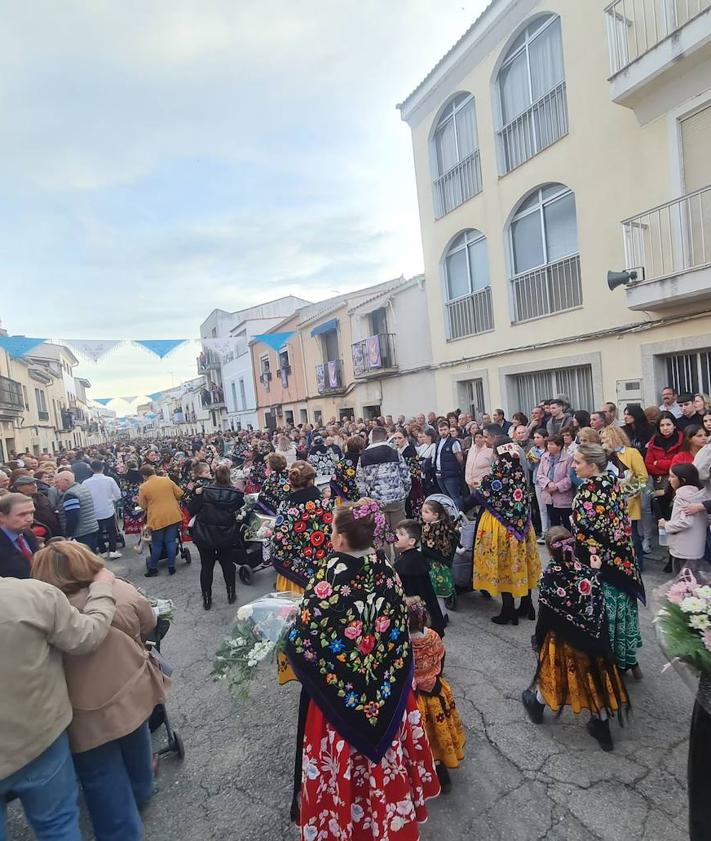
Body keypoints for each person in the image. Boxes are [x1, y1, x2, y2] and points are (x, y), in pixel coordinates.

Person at [284, 498, 440, 838]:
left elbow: (304, 641)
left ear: (340, 538)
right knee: (382, 763)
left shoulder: (327, 579)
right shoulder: (388, 573)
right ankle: (385, 815)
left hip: (337, 700)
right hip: (385, 690)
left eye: (332, 530)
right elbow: (397, 630)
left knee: (342, 763)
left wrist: (289, 631)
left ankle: (347, 818)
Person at [31, 541, 168, 841]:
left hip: (80, 707)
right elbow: (149, 622)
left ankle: (120, 827)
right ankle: (142, 791)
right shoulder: (119, 590)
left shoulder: (42, 612)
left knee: (99, 772)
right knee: (137, 743)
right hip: (129, 689)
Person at [0, 564, 116, 841]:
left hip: (37, 740)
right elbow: (87, 636)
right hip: (39, 741)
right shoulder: (29, 595)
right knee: (58, 825)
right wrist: (101, 587)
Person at [521, 527, 629, 752]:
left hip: (564, 641)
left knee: (553, 674)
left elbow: (546, 614)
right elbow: (597, 604)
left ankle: (537, 705)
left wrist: (539, 640)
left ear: (550, 552)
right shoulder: (587, 572)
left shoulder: (550, 575)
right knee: (595, 680)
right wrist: (596, 572)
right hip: (593, 642)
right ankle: (602, 726)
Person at [571, 444, 645, 678]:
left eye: (578, 462)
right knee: (622, 610)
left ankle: (605, 663)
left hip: (599, 564)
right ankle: (627, 659)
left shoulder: (587, 491)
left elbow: (582, 530)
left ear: (592, 465)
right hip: (623, 559)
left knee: (603, 612)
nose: (574, 466)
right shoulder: (613, 482)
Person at [465, 438, 541, 625]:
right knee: (520, 562)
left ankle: (508, 609)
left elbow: (477, 497)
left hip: (500, 526)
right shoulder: (519, 473)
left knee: (504, 563)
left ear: (498, 455)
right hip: (523, 526)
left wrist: (461, 505)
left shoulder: (494, 477)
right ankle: (526, 604)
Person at [407, 596, 465, 792]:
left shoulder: (406, 645)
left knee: (424, 734)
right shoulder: (432, 636)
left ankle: (429, 770)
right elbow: (441, 656)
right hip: (437, 692)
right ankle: (444, 765)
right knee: (439, 728)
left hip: (417, 697)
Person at [270, 461, 333, 594]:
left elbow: (280, 540)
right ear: (312, 479)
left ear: (291, 481)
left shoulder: (287, 506)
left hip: (294, 576)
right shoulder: (325, 503)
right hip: (325, 570)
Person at [189, 463, 245, 609]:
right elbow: (239, 509)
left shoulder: (205, 491)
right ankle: (231, 594)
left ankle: (207, 599)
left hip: (204, 533)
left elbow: (192, 509)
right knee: (227, 564)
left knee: (206, 567)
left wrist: (196, 494)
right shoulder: (236, 494)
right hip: (225, 534)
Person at [393, 519, 445, 637]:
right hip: (429, 612)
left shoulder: (406, 564)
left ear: (411, 541)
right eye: (396, 533)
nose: (396, 536)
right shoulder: (416, 558)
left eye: (401, 534)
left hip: (416, 616)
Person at [356, 426, 411, 536]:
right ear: (386, 437)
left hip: (376, 500)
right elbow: (405, 476)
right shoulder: (395, 453)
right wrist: (405, 493)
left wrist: (366, 498)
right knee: (400, 532)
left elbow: (359, 481)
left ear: (371, 438)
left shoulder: (363, 457)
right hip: (396, 497)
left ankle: (384, 553)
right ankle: (401, 553)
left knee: (381, 533)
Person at [658, 463, 709, 574]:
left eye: (672, 476)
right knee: (693, 580)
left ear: (683, 480)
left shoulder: (682, 496)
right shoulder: (699, 494)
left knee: (683, 582)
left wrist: (665, 524)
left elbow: (685, 522)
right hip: (695, 547)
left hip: (682, 548)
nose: (669, 480)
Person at [138, 465, 184, 577]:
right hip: (173, 514)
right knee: (171, 541)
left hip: (156, 518)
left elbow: (143, 505)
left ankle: (153, 568)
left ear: (144, 476)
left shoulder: (143, 487)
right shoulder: (167, 480)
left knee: (157, 543)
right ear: (154, 471)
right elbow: (180, 493)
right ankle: (171, 566)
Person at [420, 498, 458, 623]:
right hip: (440, 565)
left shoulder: (433, 529)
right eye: (422, 511)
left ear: (435, 514)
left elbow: (431, 548)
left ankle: (441, 616)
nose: (422, 514)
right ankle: (443, 614)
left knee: (436, 594)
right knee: (438, 594)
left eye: (426, 512)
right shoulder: (442, 526)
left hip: (435, 566)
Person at [84, 461, 122, 559]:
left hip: (94, 511)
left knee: (98, 532)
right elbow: (118, 495)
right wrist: (111, 499)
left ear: (91, 469)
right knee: (112, 530)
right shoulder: (109, 480)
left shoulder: (86, 482)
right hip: (108, 509)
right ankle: (113, 550)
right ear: (103, 468)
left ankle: (103, 551)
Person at [54, 470, 100, 552]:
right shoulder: (81, 487)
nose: (55, 485)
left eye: (57, 482)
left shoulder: (70, 495)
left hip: (81, 533)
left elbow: (72, 516)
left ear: (66, 481)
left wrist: (68, 534)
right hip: (91, 528)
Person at [536, 434, 574, 528]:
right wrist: (548, 483)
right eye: (548, 444)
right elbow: (540, 474)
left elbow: (570, 477)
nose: (549, 446)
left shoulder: (568, 458)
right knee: (554, 523)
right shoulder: (544, 457)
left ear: (559, 446)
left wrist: (557, 486)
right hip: (549, 496)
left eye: (552, 444)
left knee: (567, 523)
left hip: (564, 498)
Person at [0, 492, 38, 578]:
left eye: (31, 513)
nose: (29, 519)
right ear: (1, 517)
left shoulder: (28, 534)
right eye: (22, 514)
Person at [644, 411, 683, 483]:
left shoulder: (682, 440)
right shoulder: (653, 441)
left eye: (668, 424)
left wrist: (658, 463)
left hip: (678, 479)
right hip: (658, 480)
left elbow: (680, 464)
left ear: (674, 425)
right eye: (662, 425)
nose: (665, 428)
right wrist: (668, 466)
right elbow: (648, 465)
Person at [432, 420, 464, 509]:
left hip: (451, 474)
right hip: (439, 473)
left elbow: (460, 459)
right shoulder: (438, 442)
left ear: (449, 430)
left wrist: (456, 469)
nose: (443, 432)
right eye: (441, 430)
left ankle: (460, 515)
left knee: (455, 497)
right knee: (446, 497)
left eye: (445, 429)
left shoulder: (453, 442)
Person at [329, 435, 365, 502]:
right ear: (360, 449)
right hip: (360, 499)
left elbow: (334, 481)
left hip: (343, 499)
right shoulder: (362, 461)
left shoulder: (341, 462)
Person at [120, 461, 145, 537]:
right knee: (140, 514)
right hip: (140, 502)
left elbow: (123, 491)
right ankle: (142, 532)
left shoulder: (124, 477)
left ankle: (134, 532)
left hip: (129, 504)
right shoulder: (142, 476)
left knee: (132, 514)